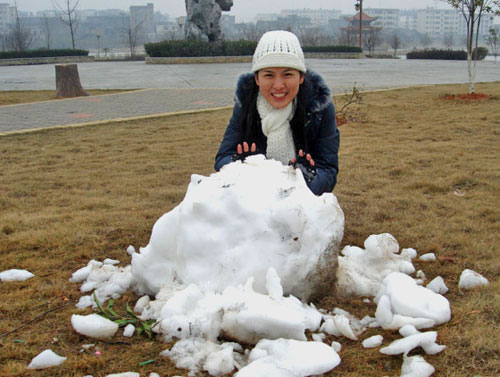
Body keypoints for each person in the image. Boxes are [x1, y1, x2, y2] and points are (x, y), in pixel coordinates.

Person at [214, 30, 339, 195]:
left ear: (301, 77)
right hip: (254, 201)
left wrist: (306, 180)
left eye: (288, 74)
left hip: (301, 208)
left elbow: (328, 169)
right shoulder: (246, 105)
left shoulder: (319, 110)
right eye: (269, 75)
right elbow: (223, 157)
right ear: (257, 79)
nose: (278, 85)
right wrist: (242, 168)